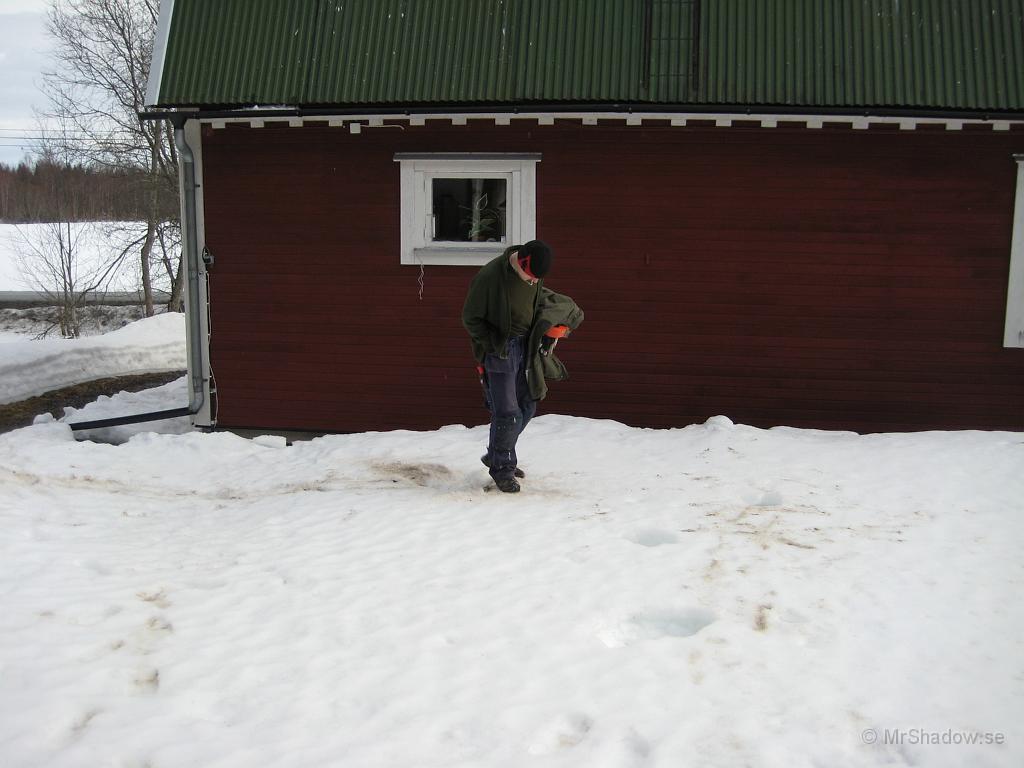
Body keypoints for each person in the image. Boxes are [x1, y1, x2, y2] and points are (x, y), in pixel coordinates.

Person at [461, 240, 582, 493]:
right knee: (507, 412)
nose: (534, 282)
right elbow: (471, 318)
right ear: (522, 261)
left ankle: (497, 454)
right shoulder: (490, 277)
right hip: (501, 349)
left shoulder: (532, 275)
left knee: (528, 404)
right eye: (532, 276)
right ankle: (502, 469)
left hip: (525, 346)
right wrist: (492, 345)